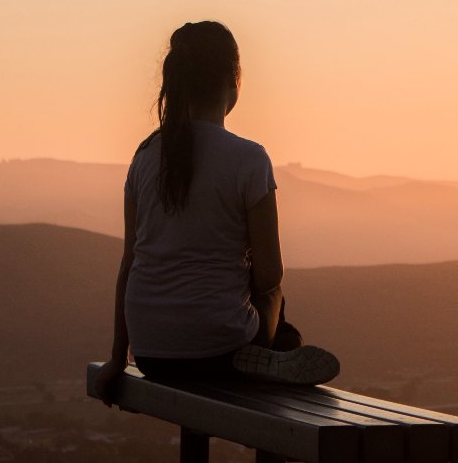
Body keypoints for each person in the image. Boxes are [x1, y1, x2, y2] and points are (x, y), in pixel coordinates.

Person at [93, 21, 339, 404]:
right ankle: (273, 353)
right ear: (233, 80)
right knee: (277, 302)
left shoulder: (144, 156)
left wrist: (116, 358)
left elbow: (130, 263)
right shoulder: (249, 159)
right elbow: (270, 273)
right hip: (220, 351)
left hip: (151, 353)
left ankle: (269, 352)